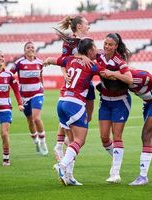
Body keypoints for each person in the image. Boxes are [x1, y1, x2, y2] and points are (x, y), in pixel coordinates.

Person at [44, 15, 94, 185]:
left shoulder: (88, 40)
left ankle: (69, 175)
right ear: (79, 26)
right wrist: (65, 73)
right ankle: (60, 151)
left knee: (74, 139)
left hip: (83, 86)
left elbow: (57, 60)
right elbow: (64, 61)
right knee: (78, 138)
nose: (90, 26)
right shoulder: (69, 42)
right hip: (75, 89)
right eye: (87, 23)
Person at [53, 38, 105, 186]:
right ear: (89, 51)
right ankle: (61, 166)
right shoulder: (92, 65)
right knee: (79, 141)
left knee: (71, 142)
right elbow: (107, 73)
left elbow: (54, 60)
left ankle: (69, 176)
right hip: (75, 104)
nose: (96, 49)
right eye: (95, 48)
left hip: (61, 101)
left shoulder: (69, 59)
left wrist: (47, 62)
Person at [95, 33, 133, 183]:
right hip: (104, 101)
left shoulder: (119, 61)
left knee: (116, 136)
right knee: (104, 138)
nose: (106, 47)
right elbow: (83, 54)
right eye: (105, 44)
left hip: (120, 102)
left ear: (116, 46)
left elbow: (129, 78)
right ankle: (117, 159)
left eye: (110, 45)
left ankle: (115, 172)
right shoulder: (99, 55)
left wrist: (113, 73)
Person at [11, 42, 48, 156]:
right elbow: (9, 75)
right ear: (25, 50)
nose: (31, 49)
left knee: (36, 118)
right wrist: (15, 85)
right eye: (28, 47)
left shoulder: (39, 62)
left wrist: (42, 87)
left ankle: (43, 142)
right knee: (30, 120)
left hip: (37, 93)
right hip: (24, 96)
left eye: (32, 47)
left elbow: (40, 76)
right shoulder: (19, 63)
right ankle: (36, 142)